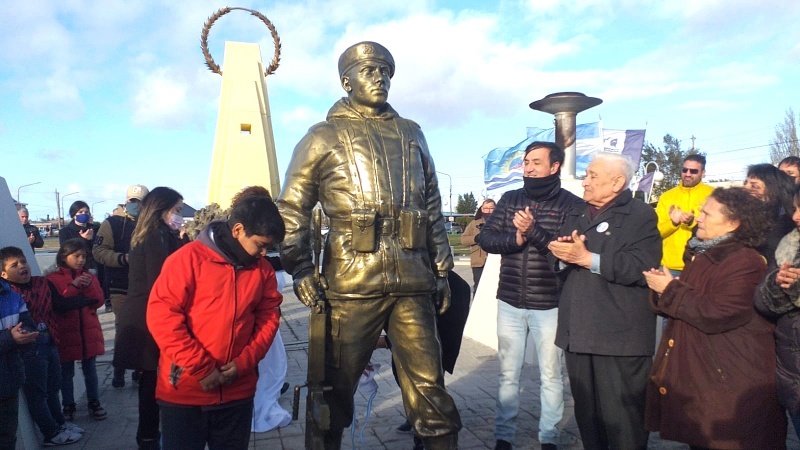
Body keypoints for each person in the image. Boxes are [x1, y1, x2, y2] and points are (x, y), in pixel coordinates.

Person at [277, 41, 461, 449]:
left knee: (430, 388)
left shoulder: (412, 133)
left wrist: (443, 270)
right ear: (347, 81)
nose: (380, 78)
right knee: (332, 394)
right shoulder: (322, 136)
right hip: (349, 285)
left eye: (385, 72)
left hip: (413, 282)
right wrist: (302, 267)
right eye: (370, 71)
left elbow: (431, 204)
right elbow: (292, 207)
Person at [644, 187, 786, 449]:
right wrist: (662, 287)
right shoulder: (704, 253)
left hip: (730, 380)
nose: (699, 218)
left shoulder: (745, 260)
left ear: (733, 223)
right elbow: (688, 304)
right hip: (705, 376)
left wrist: (669, 288)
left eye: (707, 214)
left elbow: (717, 312)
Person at [147, 196, 284, 450]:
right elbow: (162, 319)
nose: (264, 253)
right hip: (185, 392)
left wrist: (245, 363)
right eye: (261, 245)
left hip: (237, 392)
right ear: (238, 230)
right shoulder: (186, 260)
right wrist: (201, 368)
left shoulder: (262, 270)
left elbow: (269, 318)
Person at [547, 152, 662, 450]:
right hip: (578, 334)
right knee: (590, 421)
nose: (585, 181)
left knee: (624, 424)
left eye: (592, 176)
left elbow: (642, 266)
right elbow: (557, 258)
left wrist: (588, 259)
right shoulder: (577, 213)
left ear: (617, 183)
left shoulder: (640, 215)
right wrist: (561, 256)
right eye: (587, 175)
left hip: (619, 338)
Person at [475, 141, 582, 450]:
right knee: (508, 374)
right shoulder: (510, 199)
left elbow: (564, 253)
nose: (529, 167)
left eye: (536, 161)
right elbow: (486, 238)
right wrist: (516, 237)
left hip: (550, 303)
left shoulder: (571, 205)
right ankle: (503, 436)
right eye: (526, 161)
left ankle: (548, 438)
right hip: (509, 300)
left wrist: (533, 231)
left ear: (555, 166)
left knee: (551, 375)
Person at [113, 187, 184, 449]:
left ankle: (150, 437)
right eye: (176, 210)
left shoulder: (160, 233)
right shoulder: (154, 236)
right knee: (152, 383)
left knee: (151, 380)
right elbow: (161, 282)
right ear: (161, 209)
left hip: (146, 314)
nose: (179, 216)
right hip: (147, 319)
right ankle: (148, 439)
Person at [1, 246, 85, 446]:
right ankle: (50, 431)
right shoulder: (11, 293)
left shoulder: (41, 283)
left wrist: (84, 298)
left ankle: (60, 423)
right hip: (28, 351)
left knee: (53, 387)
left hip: (49, 342)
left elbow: (58, 304)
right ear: (3, 274)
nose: (22, 266)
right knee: (37, 393)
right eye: (15, 265)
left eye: (23, 262)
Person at [755, 185, 800, 441]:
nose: (795, 217)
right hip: (792, 378)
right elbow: (761, 303)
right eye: (795, 208)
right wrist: (777, 284)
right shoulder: (788, 247)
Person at [45, 238, 107, 421]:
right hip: (66, 332)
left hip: (88, 331)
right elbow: (59, 304)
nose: (81, 260)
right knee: (66, 372)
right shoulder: (52, 279)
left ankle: (94, 402)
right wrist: (74, 286)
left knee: (91, 370)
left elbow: (99, 301)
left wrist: (88, 289)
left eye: (84, 256)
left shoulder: (90, 276)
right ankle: (69, 404)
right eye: (76, 255)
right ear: (64, 256)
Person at [93, 184, 148, 388]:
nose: (136, 205)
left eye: (140, 201)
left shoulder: (152, 224)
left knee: (144, 329)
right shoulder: (112, 223)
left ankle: (140, 368)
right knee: (124, 329)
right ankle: (119, 369)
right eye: (132, 201)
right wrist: (121, 259)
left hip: (146, 285)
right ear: (126, 201)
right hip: (120, 285)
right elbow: (98, 251)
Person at [655, 154, 714, 276]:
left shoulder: (713, 195)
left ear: (703, 173)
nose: (688, 174)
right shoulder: (667, 197)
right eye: (684, 170)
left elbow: (720, 229)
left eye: (693, 171)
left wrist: (692, 223)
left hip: (702, 265)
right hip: (669, 266)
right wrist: (673, 223)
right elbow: (657, 231)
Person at [0, 277, 37, 450]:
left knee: (7, 437)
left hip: (9, 381)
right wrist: (10, 338)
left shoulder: (11, 295)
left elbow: (28, 324)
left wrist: (25, 334)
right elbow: (10, 338)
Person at [743, 163, 795, 269]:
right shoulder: (743, 214)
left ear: (772, 189)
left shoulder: (787, 220)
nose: (745, 188)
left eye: (754, 185)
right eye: (745, 183)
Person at [461, 198, 495, 291]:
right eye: (486, 208)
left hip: (495, 262)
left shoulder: (501, 222)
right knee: (479, 288)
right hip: (478, 262)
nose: (488, 211)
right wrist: (476, 238)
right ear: (481, 209)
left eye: (491, 208)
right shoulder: (474, 223)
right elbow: (463, 240)